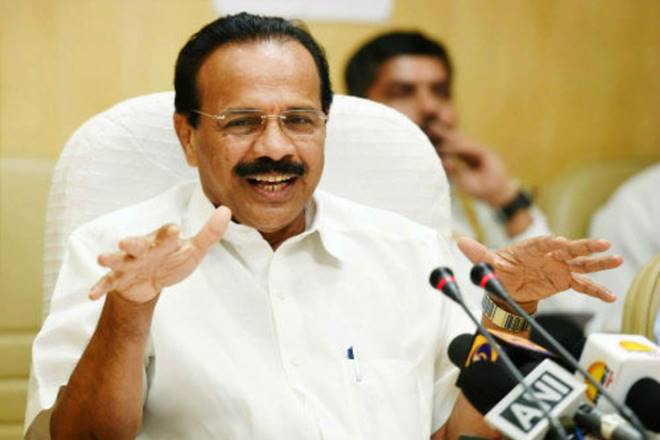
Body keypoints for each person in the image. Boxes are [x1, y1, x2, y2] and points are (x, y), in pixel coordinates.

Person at [26, 13, 621, 439]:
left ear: (325, 126)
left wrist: (508, 313)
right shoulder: (117, 254)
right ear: (188, 135)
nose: (275, 148)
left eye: (300, 120)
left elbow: (456, 432)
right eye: (242, 122)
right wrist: (129, 312)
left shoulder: (412, 253)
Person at [345, 31, 550, 248]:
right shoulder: (341, 198)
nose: (430, 106)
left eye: (441, 91)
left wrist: (503, 197)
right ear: (359, 107)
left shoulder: (470, 192)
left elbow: (553, 268)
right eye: (402, 92)